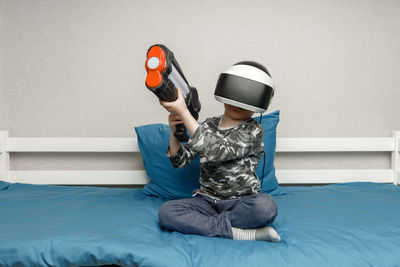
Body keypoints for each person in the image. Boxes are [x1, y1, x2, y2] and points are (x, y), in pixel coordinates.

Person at [158, 61, 280, 242]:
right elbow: (179, 162)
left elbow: (215, 149)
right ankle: (238, 233)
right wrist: (174, 133)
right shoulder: (208, 125)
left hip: (241, 203)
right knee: (166, 212)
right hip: (206, 202)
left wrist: (184, 112)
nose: (240, 101)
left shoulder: (254, 131)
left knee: (265, 207)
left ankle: (207, 226)